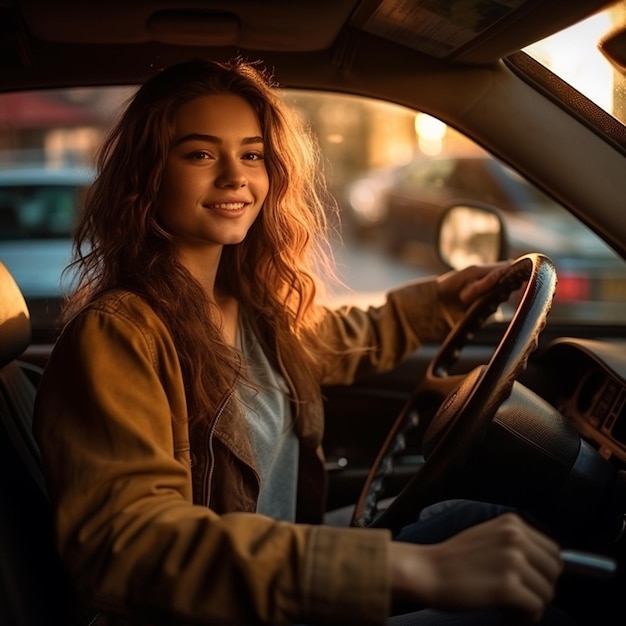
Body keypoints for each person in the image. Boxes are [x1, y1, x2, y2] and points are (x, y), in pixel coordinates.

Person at [33, 57, 565, 625]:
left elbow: (342, 339)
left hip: (282, 572)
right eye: (201, 154)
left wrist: (441, 301)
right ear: (148, 174)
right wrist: (411, 570)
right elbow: (130, 542)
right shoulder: (118, 334)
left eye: (253, 154)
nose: (236, 176)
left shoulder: (249, 309)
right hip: (217, 609)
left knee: (488, 520)